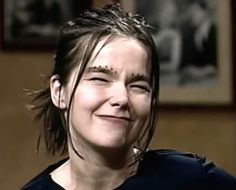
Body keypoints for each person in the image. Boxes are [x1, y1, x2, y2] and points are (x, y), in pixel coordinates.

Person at [21, 4, 236, 190]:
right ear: (59, 92)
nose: (122, 98)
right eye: (100, 79)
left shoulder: (193, 180)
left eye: (138, 85)